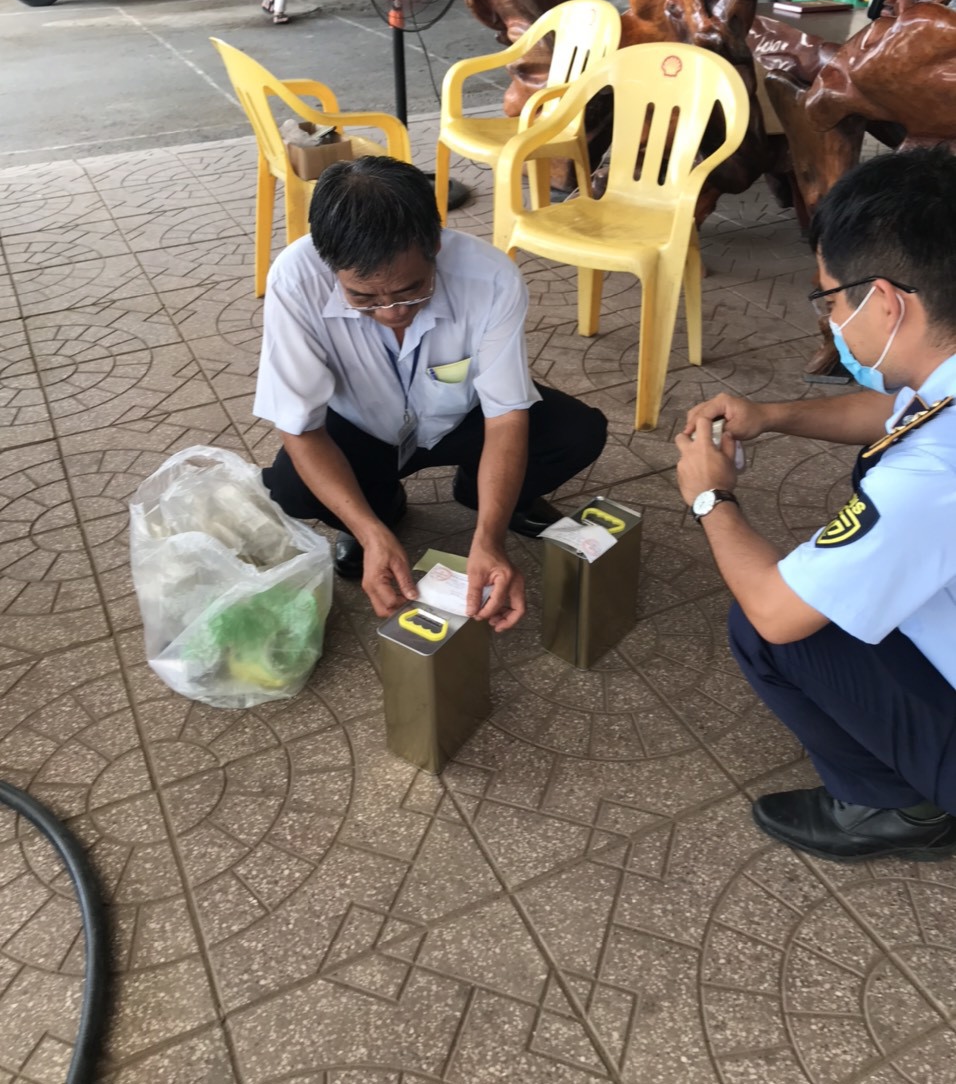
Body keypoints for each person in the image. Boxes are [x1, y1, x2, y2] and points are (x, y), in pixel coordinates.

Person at [674, 147, 956, 863]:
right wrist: (770, 414)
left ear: (887, 301)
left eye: (831, 300)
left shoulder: (935, 473)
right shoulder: (942, 378)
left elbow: (775, 607)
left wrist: (711, 495)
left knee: (769, 628)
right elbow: (903, 407)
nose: (831, 319)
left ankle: (898, 807)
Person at [255, 155, 608, 632]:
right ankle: (381, 512)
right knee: (292, 489)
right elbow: (300, 426)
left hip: (461, 419)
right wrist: (369, 531)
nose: (390, 312)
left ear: (435, 245)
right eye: (363, 298)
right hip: (361, 427)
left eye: (410, 291)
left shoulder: (491, 279)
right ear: (328, 260)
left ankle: (480, 493)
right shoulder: (295, 280)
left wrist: (490, 537)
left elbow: (506, 416)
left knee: (576, 431)